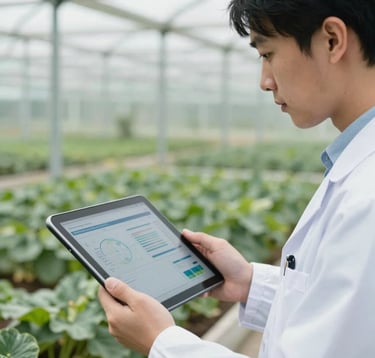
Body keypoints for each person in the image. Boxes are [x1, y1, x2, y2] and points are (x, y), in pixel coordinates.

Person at [98, 0, 375, 356]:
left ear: (332, 40)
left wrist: (162, 342)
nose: (265, 81)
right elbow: (345, 311)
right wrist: (250, 284)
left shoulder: (367, 198)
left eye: (268, 53)